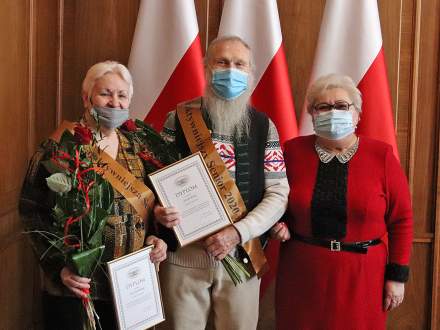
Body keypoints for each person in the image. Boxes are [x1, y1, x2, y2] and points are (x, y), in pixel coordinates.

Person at [20, 61, 167, 330]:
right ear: (86, 98)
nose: (114, 103)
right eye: (105, 94)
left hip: (130, 286)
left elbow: (152, 207)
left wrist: (157, 237)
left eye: (122, 96)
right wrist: (58, 268)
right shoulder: (58, 146)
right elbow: (30, 210)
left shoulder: (138, 147)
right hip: (76, 287)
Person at [154, 36, 289, 330]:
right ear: (206, 68)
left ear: (251, 73)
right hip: (184, 259)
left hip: (241, 255)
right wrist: (158, 210)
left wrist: (238, 232)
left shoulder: (264, 126)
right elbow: (154, 185)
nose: (231, 70)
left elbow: (278, 194)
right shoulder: (176, 119)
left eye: (239, 64)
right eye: (222, 62)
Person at [273, 73, 413, 329]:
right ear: (312, 114)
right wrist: (278, 223)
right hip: (303, 274)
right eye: (323, 106)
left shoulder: (381, 155)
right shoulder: (292, 152)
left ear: (357, 114)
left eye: (341, 106)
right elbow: (275, 199)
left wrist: (397, 276)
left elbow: (402, 219)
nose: (332, 112)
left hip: (363, 277)